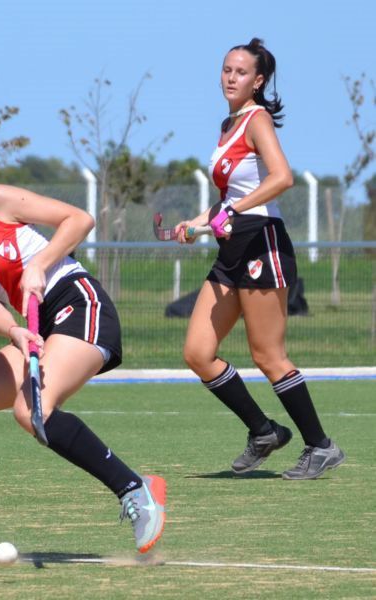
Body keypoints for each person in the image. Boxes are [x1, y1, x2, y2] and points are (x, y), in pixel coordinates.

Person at [0, 152, 166, 565]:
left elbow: (79, 219)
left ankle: (134, 488)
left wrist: (39, 263)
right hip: (38, 327)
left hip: (81, 304)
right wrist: (14, 331)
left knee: (30, 410)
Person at [176, 38, 345, 480]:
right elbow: (228, 200)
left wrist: (230, 211)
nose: (231, 77)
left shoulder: (257, 119)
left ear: (258, 80)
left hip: (262, 244)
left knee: (268, 355)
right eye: (226, 70)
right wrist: (194, 223)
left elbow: (283, 177)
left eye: (241, 72)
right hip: (232, 247)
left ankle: (321, 446)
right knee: (197, 352)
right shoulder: (227, 124)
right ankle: (263, 430)